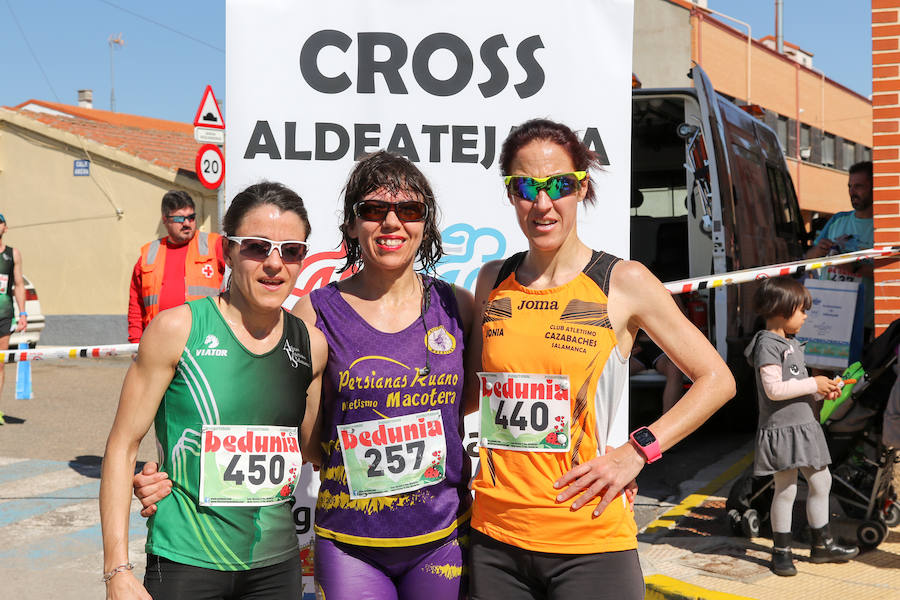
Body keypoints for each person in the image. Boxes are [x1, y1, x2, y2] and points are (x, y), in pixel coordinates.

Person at [135, 152, 475, 600]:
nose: (391, 222)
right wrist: (173, 466)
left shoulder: (459, 306)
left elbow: (470, 402)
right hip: (351, 539)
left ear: (425, 224)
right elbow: (284, 423)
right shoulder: (314, 312)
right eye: (373, 210)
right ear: (352, 225)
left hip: (442, 534)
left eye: (409, 211)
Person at [464, 118, 735, 599]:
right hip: (496, 537)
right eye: (526, 186)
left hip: (588, 537)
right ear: (510, 194)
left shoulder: (622, 280)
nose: (542, 203)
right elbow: (469, 393)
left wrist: (637, 452)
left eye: (559, 185)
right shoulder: (491, 280)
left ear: (581, 187)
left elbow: (716, 379)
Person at [100, 182, 327, 599]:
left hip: (275, 565)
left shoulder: (311, 344)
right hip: (187, 559)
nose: (275, 264)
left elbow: (314, 448)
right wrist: (117, 569)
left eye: (291, 250)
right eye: (257, 247)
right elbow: (121, 446)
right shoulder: (177, 329)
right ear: (227, 251)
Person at [745, 276, 858, 577]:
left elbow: (795, 385)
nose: (806, 316)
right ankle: (781, 551)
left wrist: (820, 390)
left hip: (805, 427)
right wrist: (813, 382)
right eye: (802, 310)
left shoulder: (792, 344)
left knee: (822, 483)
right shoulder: (767, 345)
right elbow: (774, 390)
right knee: (786, 489)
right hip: (783, 430)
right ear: (782, 310)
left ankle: (822, 545)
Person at [128, 190, 226, 343]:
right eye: (180, 218)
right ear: (165, 220)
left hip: (204, 340)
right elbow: (136, 305)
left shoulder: (215, 245)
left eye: (191, 218)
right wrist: (135, 342)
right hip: (159, 341)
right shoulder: (148, 255)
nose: (187, 223)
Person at [805, 161, 874, 339]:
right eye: (850, 186)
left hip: (866, 322)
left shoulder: (886, 226)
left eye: (859, 186)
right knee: (820, 366)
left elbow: (892, 273)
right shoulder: (838, 219)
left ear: (875, 187)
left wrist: (857, 268)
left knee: (861, 367)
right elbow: (808, 259)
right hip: (829, 314)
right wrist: (819, 250)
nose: (852, 191)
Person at [0, 213, 26, 425]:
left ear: (5, 228)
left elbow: (18, 285)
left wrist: (23, 313)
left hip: (4, 314)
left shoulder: (13, 254)